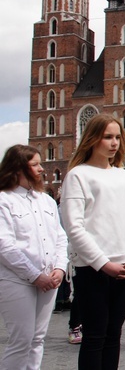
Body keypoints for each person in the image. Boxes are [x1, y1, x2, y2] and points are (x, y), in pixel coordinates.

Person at [60, 113, 125, 369]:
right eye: (108, 137)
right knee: (95, 336)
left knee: (114, 336)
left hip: (124, 266)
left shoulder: (122, 175)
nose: (114, 142)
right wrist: (102, 263)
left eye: (118, 137)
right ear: (92, 139)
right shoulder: (78, 176)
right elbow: (74, 227)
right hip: (93, 269)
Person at [0, 145, 68, 369]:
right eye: (35, 164)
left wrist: (60, 268)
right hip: (17, 279)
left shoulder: (46, 201)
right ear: (18, 168)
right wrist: (34, 275)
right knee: (21, 340)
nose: (42, 169)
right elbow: (5, 245)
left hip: (49, 277)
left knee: (38, 339)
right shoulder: (5, 200)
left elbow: (60, 237)